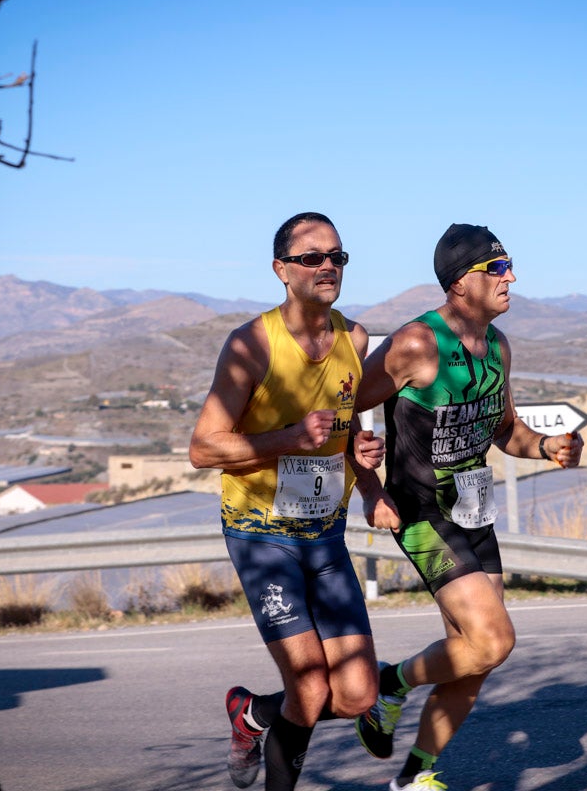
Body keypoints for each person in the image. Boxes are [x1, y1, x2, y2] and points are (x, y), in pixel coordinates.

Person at [351, 223, 584, 791]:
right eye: (497, 268)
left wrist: (546, 446)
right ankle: (391, 685)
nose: (511, 278)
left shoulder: (498, 346)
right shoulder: (416, 344)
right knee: (493, 639)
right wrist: (368, 486)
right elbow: (345, 408)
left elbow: (506, 430)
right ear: (460, 284)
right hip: (421, 511)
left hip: (473, 508)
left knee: (475, 657)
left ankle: (414, 776)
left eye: (509, 266)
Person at [188, 211, 384, 791]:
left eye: (337, 257)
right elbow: (202, 448)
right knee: (310, 686)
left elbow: (342, 434)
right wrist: (288, 439)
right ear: (281, 270)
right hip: (261, 535)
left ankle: (251, 713)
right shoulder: (251, 343)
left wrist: (363, 464)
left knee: (356, 695)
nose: (328, 267)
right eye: (312, 258)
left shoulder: (356, 338)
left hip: (324, 533)